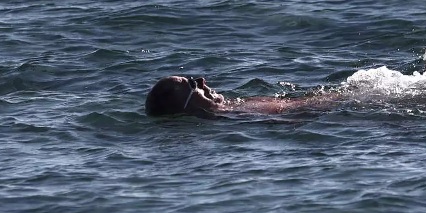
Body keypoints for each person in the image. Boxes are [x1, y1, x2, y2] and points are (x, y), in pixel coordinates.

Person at [144, 75, 339, 118]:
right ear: (186, 107)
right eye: (192, 84)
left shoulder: (236, 108)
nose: (202, 81)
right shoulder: (241, 118)